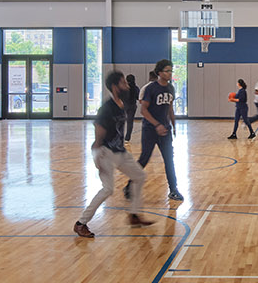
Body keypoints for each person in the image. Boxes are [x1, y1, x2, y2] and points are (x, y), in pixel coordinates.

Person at [74, 71, 153, 238]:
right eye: (123, 83)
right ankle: (81, 223)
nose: (127, 86)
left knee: (139, 176)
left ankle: (133, 214)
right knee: (107, 189)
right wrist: (97, 156)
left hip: (120, 151)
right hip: (106, 153)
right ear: (115, 87)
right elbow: (98, 135)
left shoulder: (121, 103)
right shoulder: (107, 108)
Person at [134, 59, 183, 202]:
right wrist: (157, 125)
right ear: (160, 72)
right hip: (150, 130)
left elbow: (170, 108)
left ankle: (173, 190)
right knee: (144, 159)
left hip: (165, 131)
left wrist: (173, 125)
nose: (169, 73)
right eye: (167, 71)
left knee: (169, 160)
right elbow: (143, 110)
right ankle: (130, 185)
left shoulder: (170, 88)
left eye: (171, 71)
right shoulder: (151, 88)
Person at [122, 73, 140, 144]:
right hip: (132, 106)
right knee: (130, 122)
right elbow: (138, 98)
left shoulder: (124, 87)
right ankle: (127, 137)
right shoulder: (136, 88)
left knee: (121, 121)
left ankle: (119, 136)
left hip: (124, 105)